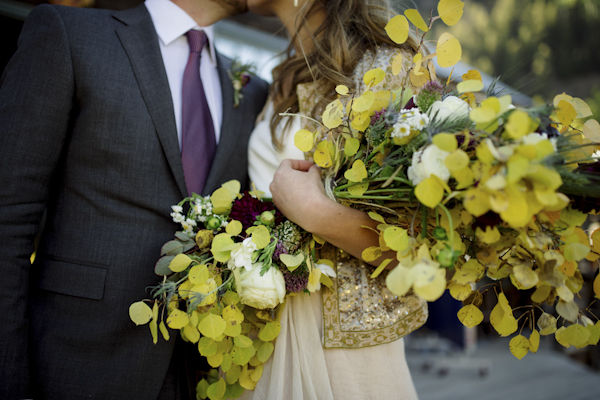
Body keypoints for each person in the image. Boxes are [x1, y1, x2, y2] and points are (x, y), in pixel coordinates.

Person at [0, 0, 268, 399]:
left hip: (191, 369)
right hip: (69, 359)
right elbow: (9, 216)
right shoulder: (71, 33)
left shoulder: (251, 91)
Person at [244, 0, 428, 399]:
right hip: (261, 331)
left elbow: (417, 249)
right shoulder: (281, 76)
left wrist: (314, 211)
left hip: (343, 350)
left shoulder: (386, 65)